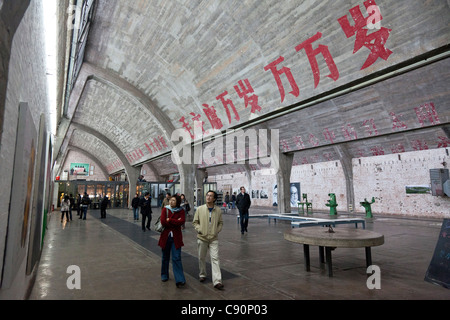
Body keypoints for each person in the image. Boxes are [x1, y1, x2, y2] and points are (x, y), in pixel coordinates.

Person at [192, 190, 224, 290]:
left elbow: (220, 223)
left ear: (214, 199)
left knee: (215, 258)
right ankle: (202, 274)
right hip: (202, 237)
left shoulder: (218, 210)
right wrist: (199, 229)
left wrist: (217, 231)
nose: (208, 197)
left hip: (213, 238)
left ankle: (217, 281)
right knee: (201, 257)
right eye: (207, 195)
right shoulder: (200, 209)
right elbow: (195, 222)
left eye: (210, 196)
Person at [158, 195, 186, 288]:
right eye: (170, 200)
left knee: (176, 257)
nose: (171, 202)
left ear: (177, 202)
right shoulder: (165, 209)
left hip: (176, 237)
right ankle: (164, 275)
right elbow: (163, 222)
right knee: (165, 257)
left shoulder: (181, 210)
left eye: (173, 200)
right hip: (166, 237)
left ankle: (180, 279)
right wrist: (175, 221)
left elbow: (182, 221)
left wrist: (170, 220)